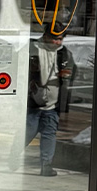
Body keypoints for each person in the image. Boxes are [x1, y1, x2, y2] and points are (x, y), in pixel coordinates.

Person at [23, 24, 75, 177]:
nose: (58, 42)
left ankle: (46, 165)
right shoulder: (32, 49)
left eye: (61, 39)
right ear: (46, 36)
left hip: (52, 104)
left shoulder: (64, 53)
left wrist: (66, 76)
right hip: (32, 103)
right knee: (27, 133)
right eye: (55, 39)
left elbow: (71, 73)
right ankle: (13, 157)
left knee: (49, 134)